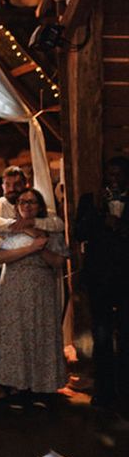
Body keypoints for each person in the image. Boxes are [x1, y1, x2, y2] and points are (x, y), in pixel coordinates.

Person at [0, 189, 68, 403]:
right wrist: (31, 246)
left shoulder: (50, 229)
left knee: (41, 332)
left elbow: (59, 261)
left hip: (41, 288)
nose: (26, 205)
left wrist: (40, 245)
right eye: (22, 202)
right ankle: (14, 382)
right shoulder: (8, 228)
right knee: (14, 335)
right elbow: (0, 256)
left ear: (40, 206)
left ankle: (42, 384)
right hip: (13, 287)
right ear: (16, 206)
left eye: (32, 202)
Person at [76, 156, 129, 410]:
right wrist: (101, 218)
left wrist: (121, 226)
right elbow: (78, 232)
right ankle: (104, 390)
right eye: (111, 175)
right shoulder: (91, 200)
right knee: (102, 334)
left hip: (125, 276)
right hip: (100, 277)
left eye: (119, 175)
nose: (114, 180)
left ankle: (125, 390)